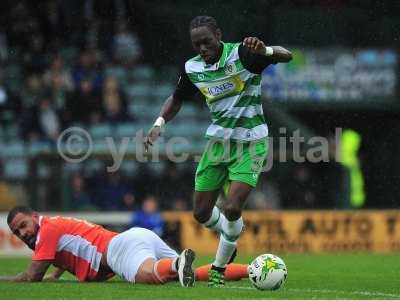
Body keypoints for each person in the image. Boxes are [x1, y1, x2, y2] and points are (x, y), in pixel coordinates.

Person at [144, 15, 292, 287]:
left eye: (207, 41)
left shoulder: (244, 54)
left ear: (219, 36)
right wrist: (159, 122)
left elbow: (287, 55)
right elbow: (176, 98)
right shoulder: (193, 68)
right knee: (200, 213)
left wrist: (266, 51)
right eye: (197, 44)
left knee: (232, 206)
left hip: (251, 143)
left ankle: (218, 269)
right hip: (218, 145)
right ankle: (231, 231)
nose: (202, 48)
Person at [1, 206, 248, 286]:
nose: (22, 233)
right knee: (182, 276)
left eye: (23, 225)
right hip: (135, 238)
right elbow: (65, 251)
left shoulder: (46, 230)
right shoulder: (52, 227)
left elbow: (33, 276)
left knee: (150, 275)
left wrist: (7, 280)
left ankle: (176, 261)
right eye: (16, 232)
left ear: (34, 215)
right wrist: (57, 274)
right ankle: (250, 270)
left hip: (117, 250)